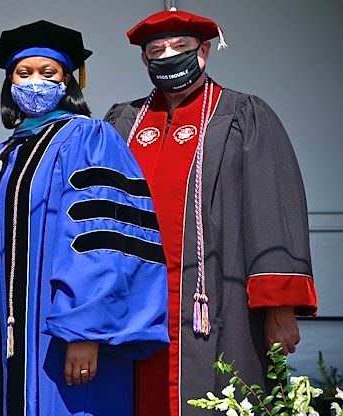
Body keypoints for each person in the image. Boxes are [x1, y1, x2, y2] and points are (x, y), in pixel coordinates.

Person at [103, 8, 319, 416]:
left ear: (204, 51)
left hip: (220, 302)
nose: (168, 55)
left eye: (181, 47)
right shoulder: (123, 122)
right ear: (144, 59)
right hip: (134, 308)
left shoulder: (242, 115)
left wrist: (281, 309)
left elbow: (272, 213)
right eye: (157, 49)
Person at [0, 20, 169, 415]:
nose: (34, 82)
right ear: (9, 83)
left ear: (68, 82)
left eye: (48, 73)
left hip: (61, 339)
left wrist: (85, 332)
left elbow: (104, 238)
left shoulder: (90, 139)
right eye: (23, 73)